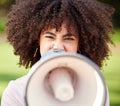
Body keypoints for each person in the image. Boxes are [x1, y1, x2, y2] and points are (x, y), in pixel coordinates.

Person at [1, 0, 115, 106]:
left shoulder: (97, 92)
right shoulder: (15, 93)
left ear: (80, 45)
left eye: (68, 38)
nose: (58, 46)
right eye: (50, 37)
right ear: (37, 41)